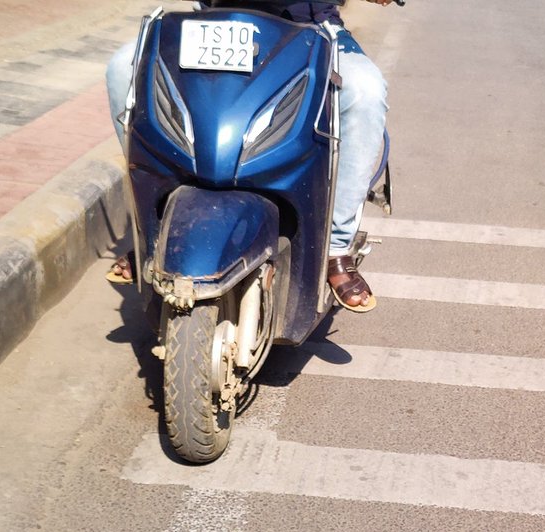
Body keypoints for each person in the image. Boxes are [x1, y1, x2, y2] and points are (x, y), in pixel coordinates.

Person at [106, 0, 392, 312]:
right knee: (123, 69)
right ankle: (154, 232)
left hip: (308, 26)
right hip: (212, 23)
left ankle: (335, 246)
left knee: (365, 93)